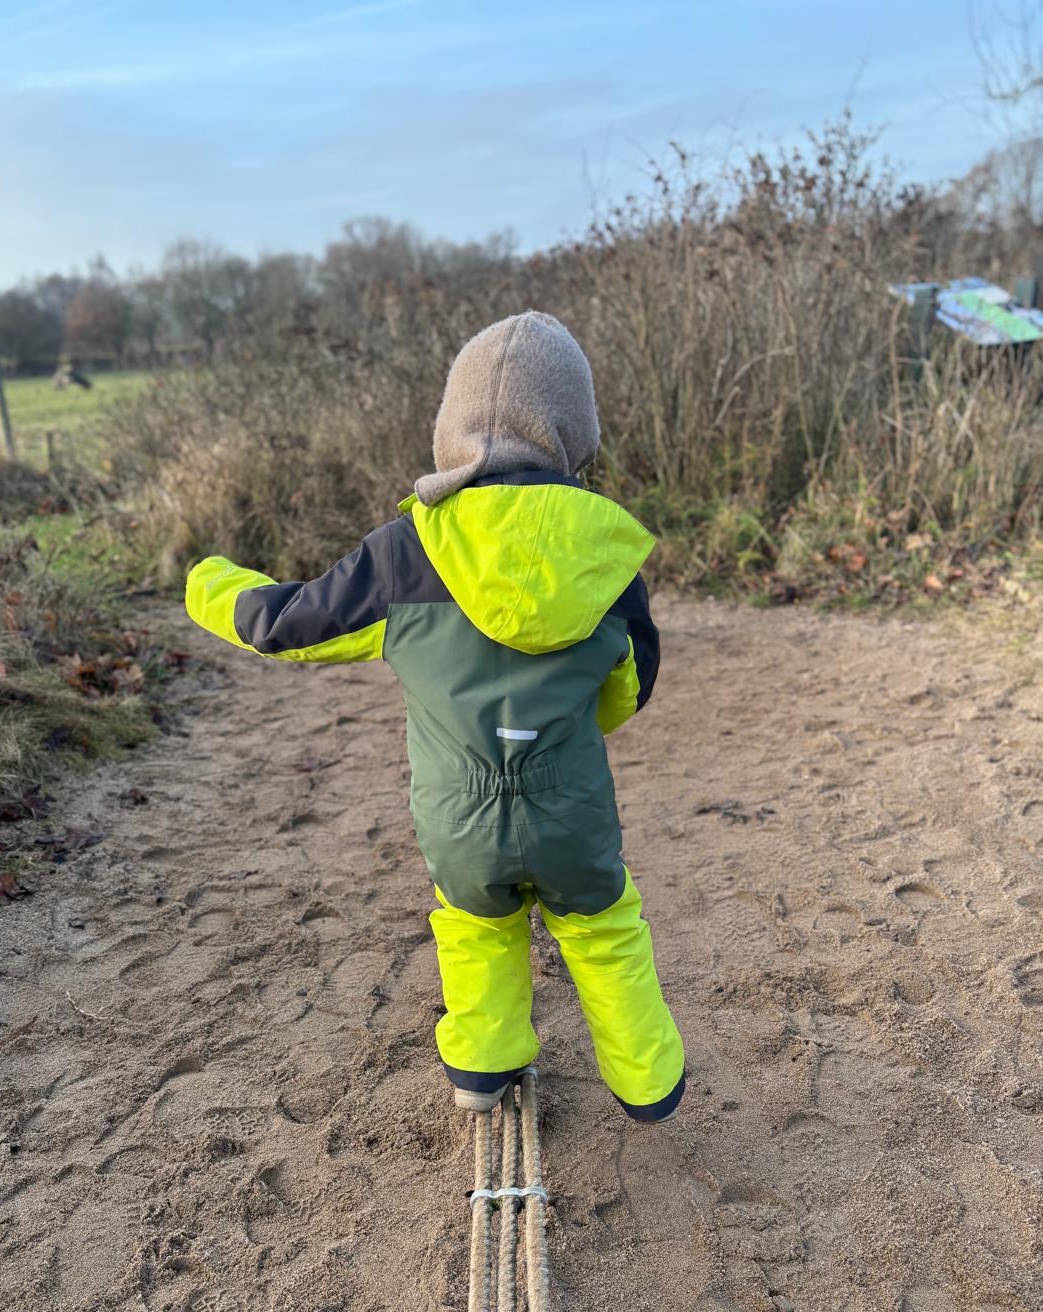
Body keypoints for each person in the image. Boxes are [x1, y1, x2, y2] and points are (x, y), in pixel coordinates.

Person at [185, 311, 685, 1120]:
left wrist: (208, 580)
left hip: (457, 813)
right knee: (603, 930)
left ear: (452, 428)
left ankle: (482, 1071)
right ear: (575, 434)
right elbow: (630, 684)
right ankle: (648, 1082)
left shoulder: (405, 553)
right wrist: (577, 720)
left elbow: (286, 625)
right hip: (572, 804)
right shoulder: (606, 559)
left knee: (477, 929)